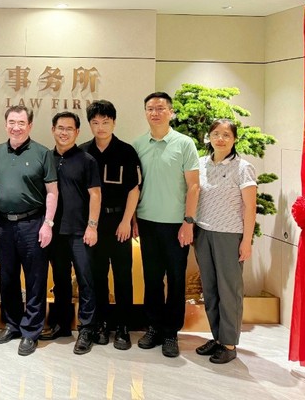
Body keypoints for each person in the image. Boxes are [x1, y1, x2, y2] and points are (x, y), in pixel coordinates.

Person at [132, 91, 200, 358]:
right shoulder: (138, 144)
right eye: (150, 108)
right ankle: (154, 327)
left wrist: (188, 221)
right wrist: (133, 218)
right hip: (147, 222)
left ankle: (171, 332)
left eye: (161, 108)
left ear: (171, 112)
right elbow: (135, 187)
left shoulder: (184, 144)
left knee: (175, 279)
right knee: (151, 278)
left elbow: (194, 186)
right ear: (145, 113)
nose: (155, 113)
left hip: (176, 225)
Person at [0, 106, 57, 356]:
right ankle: (12, 324)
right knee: (7, 277)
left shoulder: (43, 153)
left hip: (33, 224)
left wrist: (48, 223)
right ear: (5, 124)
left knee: (35, 279)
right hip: (3, 224)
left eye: (21, 123)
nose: (15, 127)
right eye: (11, 122)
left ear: (30, 125)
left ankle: (31, 331)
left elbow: (52, 192)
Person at [193, 119, 257, 364]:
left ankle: (229, 344)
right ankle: (217, 337)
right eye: (216, 134)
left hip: (230, 235)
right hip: (203, 232)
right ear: (208, 137)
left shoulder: (243, 168)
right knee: (210, 289)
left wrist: (247, 241)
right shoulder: (201, 163)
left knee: (229, 290)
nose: (220, 139)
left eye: (226, 135)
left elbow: (250, 207)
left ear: (234, 139)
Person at [80, 100, 141, 350]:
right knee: (98, 276)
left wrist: (127, 221)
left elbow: (134, 189)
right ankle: (102, 324)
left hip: (119, 223)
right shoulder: (83, 152)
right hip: (93, 226)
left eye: (105, 122)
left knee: (123, 275)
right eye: (95, 122)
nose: (101, 127)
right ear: (90, 125)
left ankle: (123, 327)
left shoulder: (126, 151)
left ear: (114, 123)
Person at [42, 111, 102, 355]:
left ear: (77, 132)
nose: (64, 132)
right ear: (53, 130)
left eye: (69, 128)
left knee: (86, 280)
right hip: (55, 231)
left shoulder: (87, 160)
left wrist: (92, 225)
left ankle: (86, 329)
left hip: (80, 231)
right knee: (60, 280)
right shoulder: (47, 158)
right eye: (60, 128)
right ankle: (62, 324)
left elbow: (95, 194)